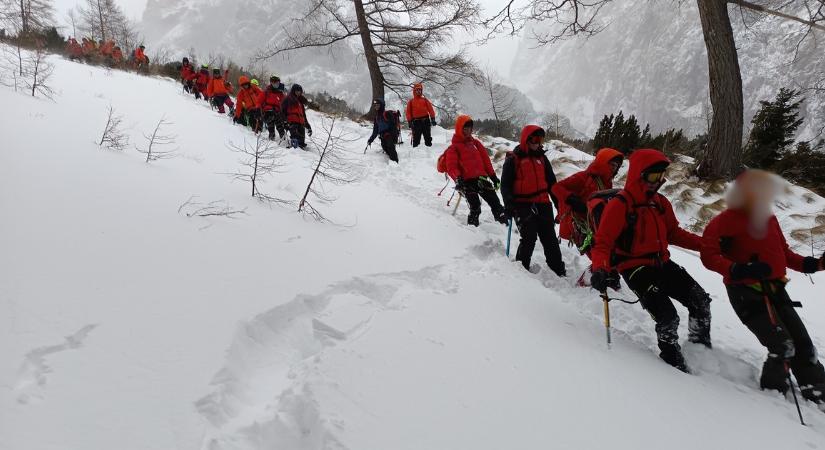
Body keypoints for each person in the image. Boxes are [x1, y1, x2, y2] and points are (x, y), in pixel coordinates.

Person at [701, 169, 825, 407]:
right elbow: (708, 255)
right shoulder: (725, 221)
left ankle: (817, 390)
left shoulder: (768, 218)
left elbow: (784, 254)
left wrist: (815, 264)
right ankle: (773, 396)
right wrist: (740, 269)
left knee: (803, 342)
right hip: (747, 294)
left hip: (776, 289)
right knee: (782, 345)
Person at [590, 149, 712, 372]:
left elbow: (674, 234)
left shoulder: (660, 203)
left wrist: (707, 245)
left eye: (661, 176)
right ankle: (672, 363)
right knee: (668, 318)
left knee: (700, 301)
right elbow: (603, 243)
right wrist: (599, 269)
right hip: (635, 268)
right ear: (640, 174)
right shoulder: (620, 205)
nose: (659, 181)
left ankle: (700, 349)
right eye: (654, 176)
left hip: (662, 263)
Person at [501, 125, 565, 276]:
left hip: (543, 203)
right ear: (526, 139)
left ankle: (559, 270)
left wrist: (558, 204)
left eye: (541, 139)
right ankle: (521, 271)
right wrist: (509, 205)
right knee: (529, 237)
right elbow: (505, 185)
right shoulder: (513, 159)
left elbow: (552, 184)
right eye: (535, 139)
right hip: (522, 204)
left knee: (550, 238)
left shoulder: (542, 159)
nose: (538, 143)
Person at [444, 115, 507, 227]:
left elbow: (486, 161)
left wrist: (493, 177)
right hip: (466, 182)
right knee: (475, 206)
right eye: (465, 128)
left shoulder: (476, 143)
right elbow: (451, 167)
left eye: (470, 128)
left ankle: (504, 224)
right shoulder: (453, 148)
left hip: (481, 179)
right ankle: (472, 232)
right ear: (459, 129)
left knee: (496, 203)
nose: (468, 131)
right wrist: (458, 179)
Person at [281, 84, 312, 149]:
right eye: (297, 91)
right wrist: (285, 122)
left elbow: (303, 115)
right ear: (293, 91)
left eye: (300, 91)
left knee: (301, 142)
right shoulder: (288, 99)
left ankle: (301, 153)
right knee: (295, 141)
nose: (298, 92)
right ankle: (294, 154)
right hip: (292, 123)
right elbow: (282, 112)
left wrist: (307, 125)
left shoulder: (301, 103)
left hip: (301, 123)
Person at [405, 82, 436, 147]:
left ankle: (429, 151)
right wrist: (409, 121)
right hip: (416, 122)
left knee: (427, 137)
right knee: (416, 139)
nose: (419, 91)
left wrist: (433, 118)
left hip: (426, 121)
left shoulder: (425, 100)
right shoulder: (411, 102)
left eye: (420, 90)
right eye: (417, 90)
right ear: (414, 91)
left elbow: (430, 109)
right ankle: (415, 152)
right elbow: (408, 113)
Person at [259, 75, 286, 140]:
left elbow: (285, 103)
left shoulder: (280, 93)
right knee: (270, 121)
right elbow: (259, 101)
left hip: (277, 111)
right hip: (268, 111)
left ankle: (283, 137)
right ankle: (271, 136)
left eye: (276, 82)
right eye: (273, 82)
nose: (275, 84)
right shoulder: (266, 92)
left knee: (279, 122)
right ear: (271, 82)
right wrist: (258, 109)